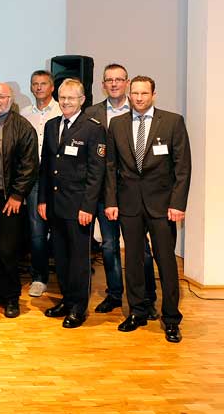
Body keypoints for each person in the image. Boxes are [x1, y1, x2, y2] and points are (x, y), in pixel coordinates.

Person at [104, 76, 191, 343]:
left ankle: (171, 319)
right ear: (129, 95)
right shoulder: (117, 124)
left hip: (163, 207)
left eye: (144, 93)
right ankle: (138, 311)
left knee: (165, 262)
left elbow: (183, 167)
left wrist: (177, 204)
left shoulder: (173, 121)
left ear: (154, 94)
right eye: (135, 93)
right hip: (128, 205)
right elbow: (110, 167)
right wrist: (111, 201)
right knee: (132, 261)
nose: (139, 98)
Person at [84, 64, 158, 318]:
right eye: (108, 80)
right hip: (102, 191)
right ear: (102, 84)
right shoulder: (91, 113)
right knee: (108, 246)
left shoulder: (139, 110)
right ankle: (115, 294)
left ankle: (147, 298)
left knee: (141, 249)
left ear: (127, 83)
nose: (114, 84)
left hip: (132, 193)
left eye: (119, 79)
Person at [37, 79, 106, 328]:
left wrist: (88, 207)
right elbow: (46, 166)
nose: (66, 102)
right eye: (63, 98)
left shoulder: (93, 128)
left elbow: (96, 173)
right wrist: (43, 199)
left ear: (82, 100)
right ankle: (66, 299)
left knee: (79, 260)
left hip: (79, 208)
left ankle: (79, 307)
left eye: (71, 98)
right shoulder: (53, 124)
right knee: (62, 258)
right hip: (55, 205)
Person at [0, 83, 38, 318]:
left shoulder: (22, 127)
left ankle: (11, 298)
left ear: (10, 99)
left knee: (7, 251)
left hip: (7, 198)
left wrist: (17, 195)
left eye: (1, 96)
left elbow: (29, 166)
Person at [19, 70, 61, 297]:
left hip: (60, 179)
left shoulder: (61, 110)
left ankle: (65, 275)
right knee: (37, 230)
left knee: (61, 229)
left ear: (52, 87)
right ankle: (39, 277)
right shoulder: (25, 114)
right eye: (34, 84)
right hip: (35, 178)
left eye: (43, 83)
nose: (38, 88)